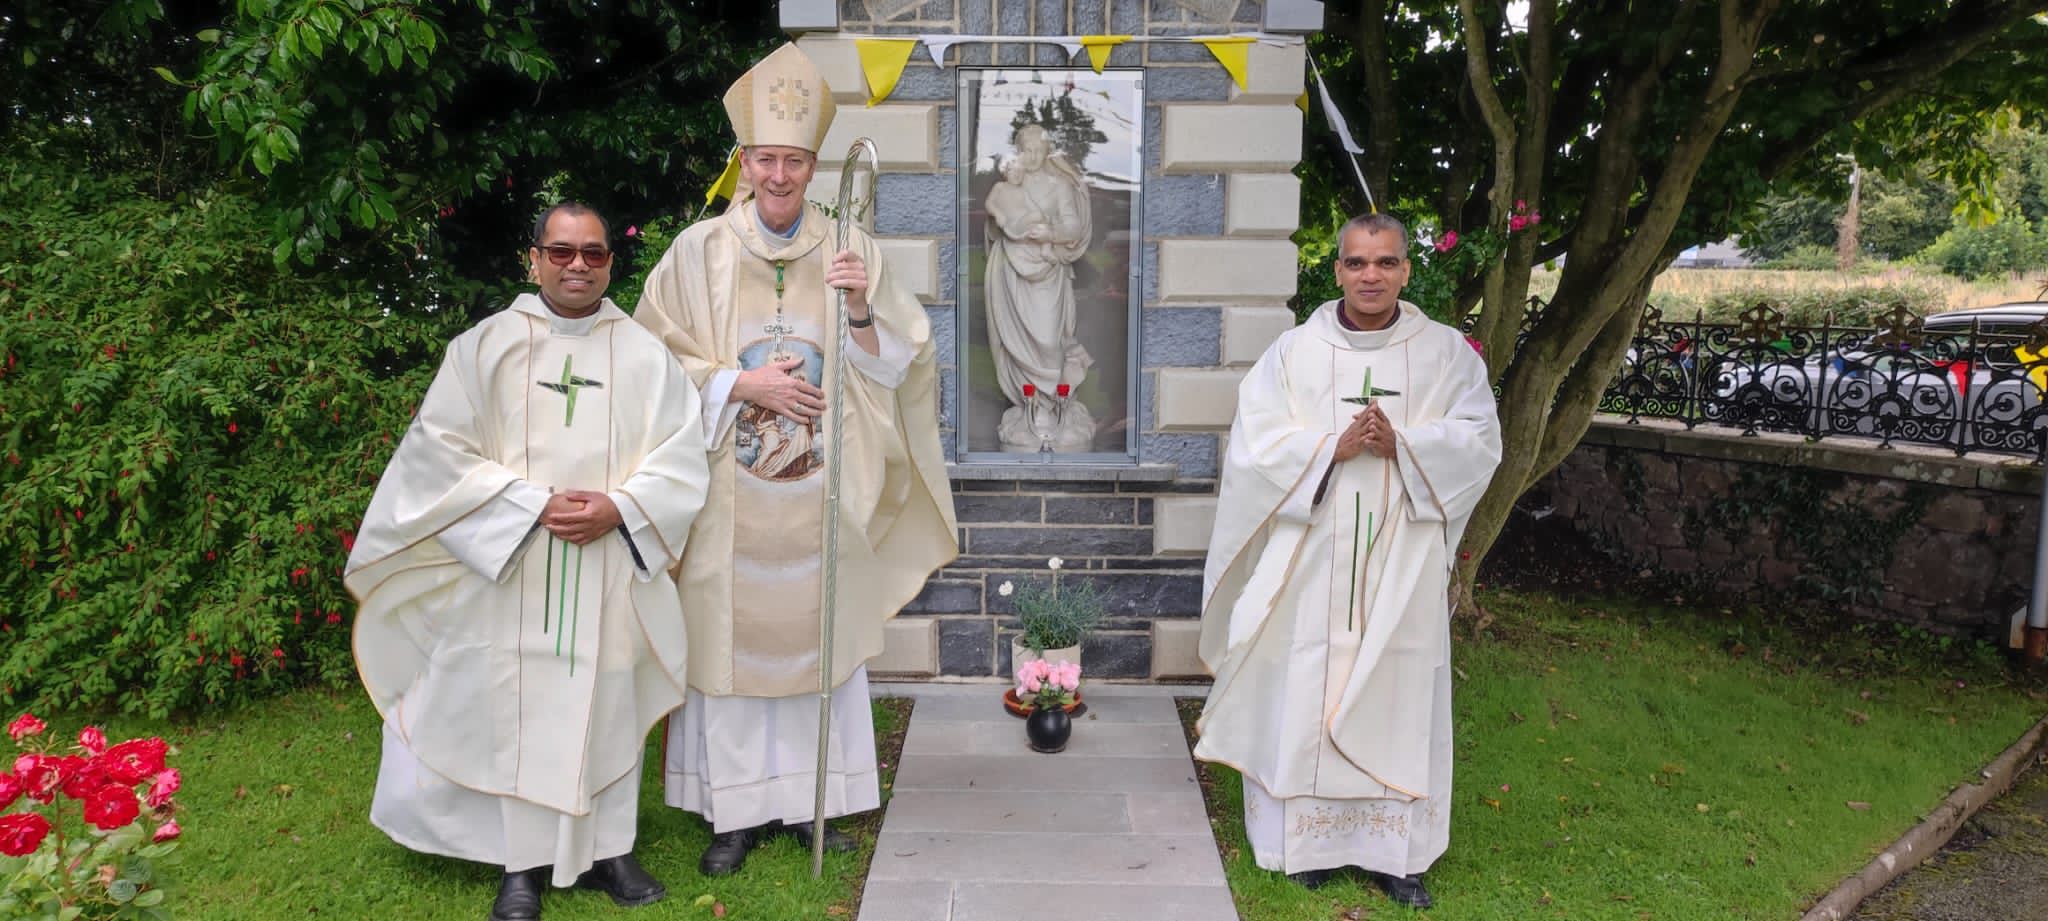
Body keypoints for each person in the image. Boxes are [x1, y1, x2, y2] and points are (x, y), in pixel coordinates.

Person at [631, 42, 957, 877]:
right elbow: (648, 363)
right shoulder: (696, 251)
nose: (779, 175)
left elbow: (901, 366)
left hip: (822, 491)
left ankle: (819, 801)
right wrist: (743, 384)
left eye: (794, 160)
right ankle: (733, 817)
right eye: (765, 158)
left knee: (819, 636)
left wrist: (857, 308)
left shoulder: (852, 248)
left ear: (814, 165)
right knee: (728, 644)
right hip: (726, 493)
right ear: (744, 161)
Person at [345, 202, 711, 921]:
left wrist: (621, 508)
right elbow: (437, 453)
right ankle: (522, 867)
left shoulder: (643, 354)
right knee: (516, 703)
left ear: (610, 262)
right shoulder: (484, 347)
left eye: (594, 254)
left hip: (607, 557)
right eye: (563, 251)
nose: (579, 265)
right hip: (513, 561)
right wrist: (526, 504)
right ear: (534, 257)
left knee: (607, 695)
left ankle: (611, 848)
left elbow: (682, 455)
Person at [1193, 213, 1502, 908]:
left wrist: (1408, 444)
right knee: (1305, 681)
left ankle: (1399, 856)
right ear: (1335, 269)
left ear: (1405, 270)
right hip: (1315, 549)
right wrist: (1330, 446)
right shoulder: (1294, 353)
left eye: (1386, 262)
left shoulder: (1447, 354)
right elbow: (1253, 446)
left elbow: (1481, 439)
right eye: (1358, 263)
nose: (1371, 276)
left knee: (1401, 686)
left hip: (1405, 556)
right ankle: (1308, 846)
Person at [983, 123, 1094, 452]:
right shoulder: (1009, 181)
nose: (1031, 157)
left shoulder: (1058, 185)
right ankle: (1029, 408)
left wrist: (1050, 234)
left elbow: (1072, 225)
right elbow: (995, 216)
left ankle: (1054, 406)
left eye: (1037, 151)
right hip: (1012, 273)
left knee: (1048, 339)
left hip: (1047, 271)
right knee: (1015, 339)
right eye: (1025, 150)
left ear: (1047, 152)